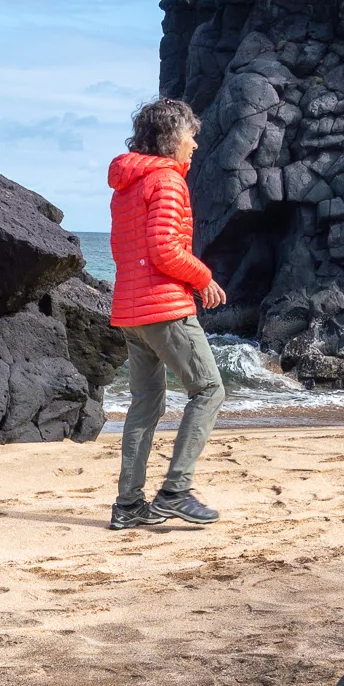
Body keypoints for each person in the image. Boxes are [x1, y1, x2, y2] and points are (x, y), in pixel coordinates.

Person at [103, 98, 228, 529]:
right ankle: (176, 490)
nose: (195, 144)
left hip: (130, 311)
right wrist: (203, 278)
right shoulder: (168, 182)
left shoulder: (126, 186)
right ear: (171, 137)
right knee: (209, 390)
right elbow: (164, 250)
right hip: (165, 308)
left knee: (144, 406)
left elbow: (129, 251)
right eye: (190, 134)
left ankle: (129, 506)